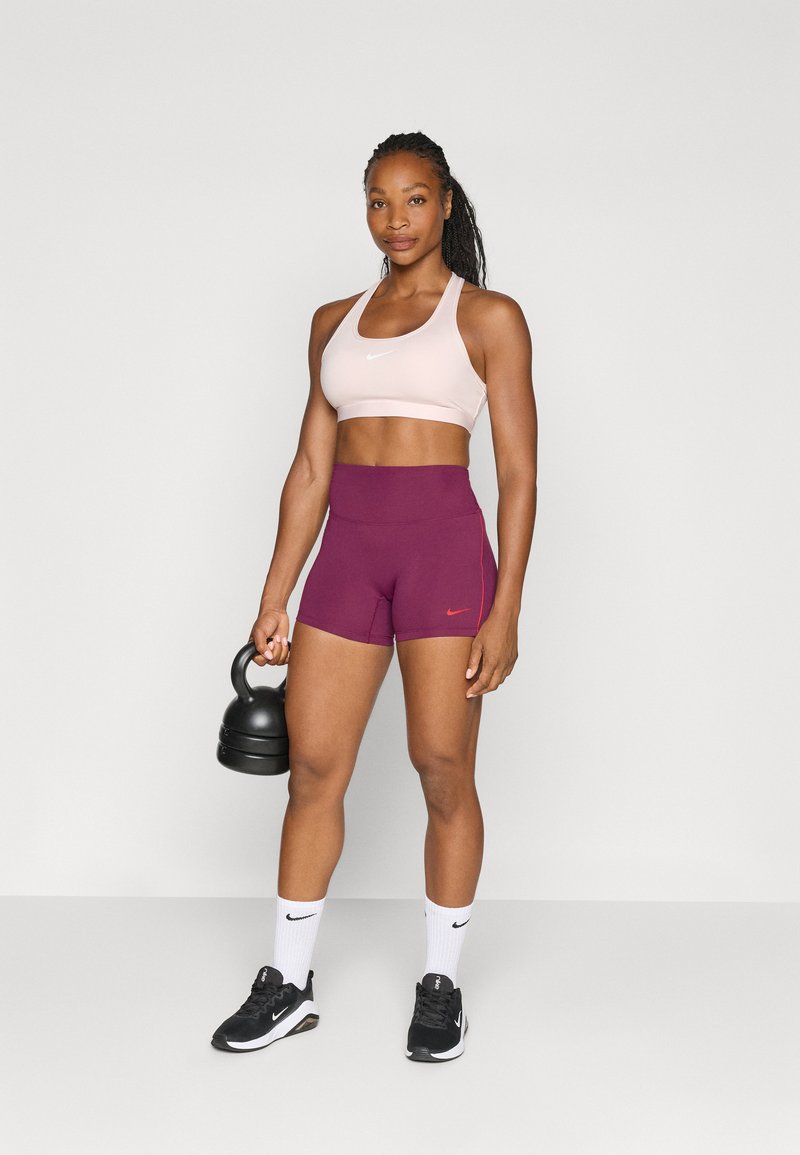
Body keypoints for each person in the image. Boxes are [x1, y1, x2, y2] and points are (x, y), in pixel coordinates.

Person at [211, 131, 538, 1062]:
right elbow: (312, 467)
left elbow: (519, 473)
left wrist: (507, 607)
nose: (395, 219)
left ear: (446, 202)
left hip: (444, 558)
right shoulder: (332, 321)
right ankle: (288, 981)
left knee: (442, 766)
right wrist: (274, 594)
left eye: (415, 199)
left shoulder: (489, 317)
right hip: (349, 558)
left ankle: (441, 984)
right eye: (378, 201)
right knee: (314, 769)